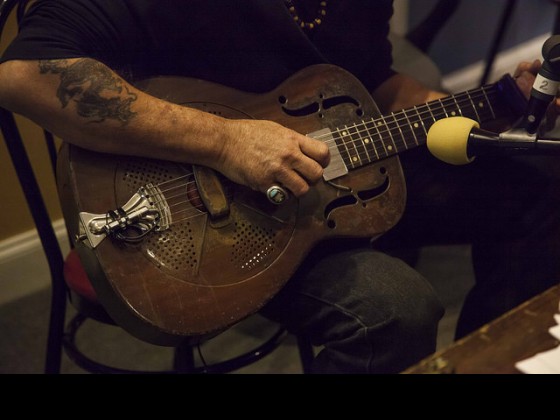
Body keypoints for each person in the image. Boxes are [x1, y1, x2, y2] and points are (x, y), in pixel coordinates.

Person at [0, 0, 558, 374]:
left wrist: (500, 102)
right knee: (396, 310)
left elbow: (374, 86)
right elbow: (24, 75)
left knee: (544, 191)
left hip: (332, 183)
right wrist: (224, 143)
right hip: (202, 220)